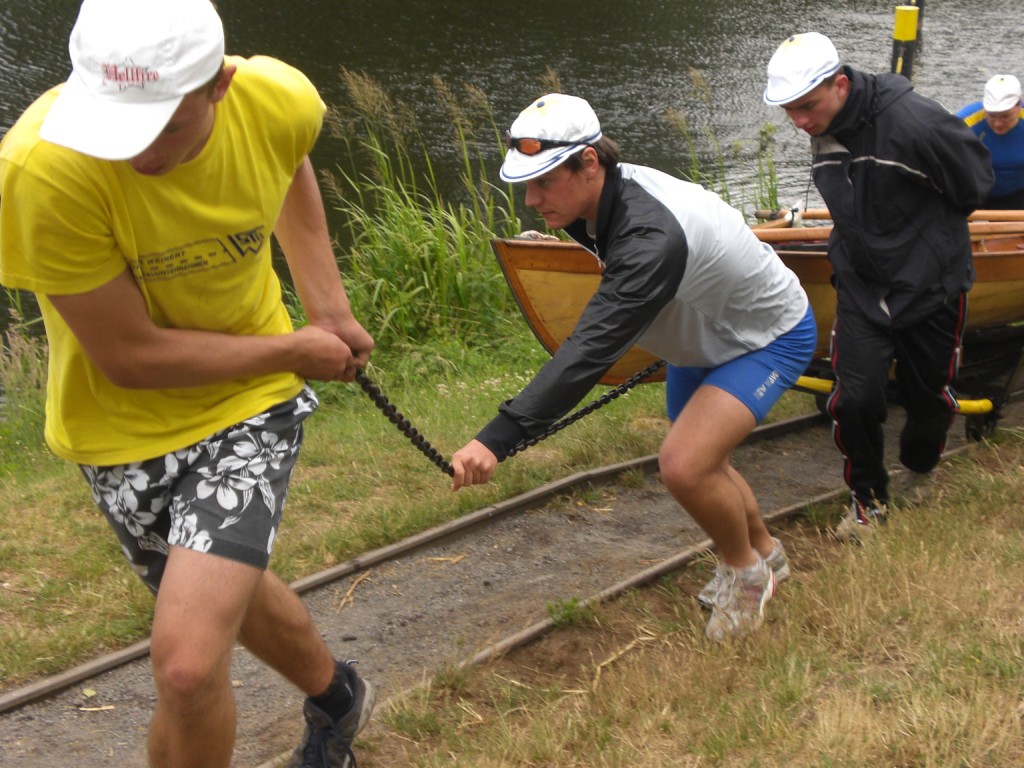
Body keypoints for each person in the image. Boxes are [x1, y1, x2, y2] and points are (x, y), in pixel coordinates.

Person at [0, 2, 375, 766]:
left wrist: (327, 306)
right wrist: (293, 349)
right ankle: (338, 695)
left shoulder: (275, 98)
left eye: (164, 127)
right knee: (220, 587)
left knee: (186, 663)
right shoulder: (39, 168)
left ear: (219, 86)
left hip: (248, 403)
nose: (137, 153)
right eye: (115, 128)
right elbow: (131, 356)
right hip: (118, 423)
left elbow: (286, 156)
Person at [450, 93, 816, 641]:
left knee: (686, 465)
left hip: (765, 337)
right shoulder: (605, 194)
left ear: (589, 162)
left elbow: (589, 352)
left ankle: (745, 573)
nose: (531, 199)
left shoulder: (650, 237)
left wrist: (497, 439)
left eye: (544, 181)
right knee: (705, 460)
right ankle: (765, 553)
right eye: (527, 183)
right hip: (703, 337)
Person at [763, 33, 994, 540]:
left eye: (807, 106)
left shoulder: (914, 122)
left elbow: (974, 182)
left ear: (840, 85)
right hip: (862, 287)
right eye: (789, 111)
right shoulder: (824, 124)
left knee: (928, 400)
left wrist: (921, 238)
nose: (799, 121)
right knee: (853, 400)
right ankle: (867, 502)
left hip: (931, 285)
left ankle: (920, 467)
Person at [956, 74, 1024, 209]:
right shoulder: (965, 122)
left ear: (1018, 105)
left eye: (1005, 116)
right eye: (991, 116)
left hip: (1018, 192)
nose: (997, 123)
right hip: (973, 192)